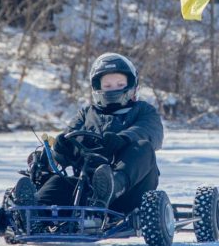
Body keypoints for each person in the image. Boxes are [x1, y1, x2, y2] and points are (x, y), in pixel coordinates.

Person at [30, 52, 164, 214]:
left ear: (131, 85)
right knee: (59, 181)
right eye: (107, 86)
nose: (113, 89)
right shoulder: (87, 114)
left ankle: (112, 185)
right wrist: (61, 148)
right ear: (97, 87)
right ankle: (32, 211)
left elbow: (150, 131)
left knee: (142, 147)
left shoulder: (143, 110)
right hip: (89, 188)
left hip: (131, 189)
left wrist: (123, 139)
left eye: (119, 84)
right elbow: (71, 138)